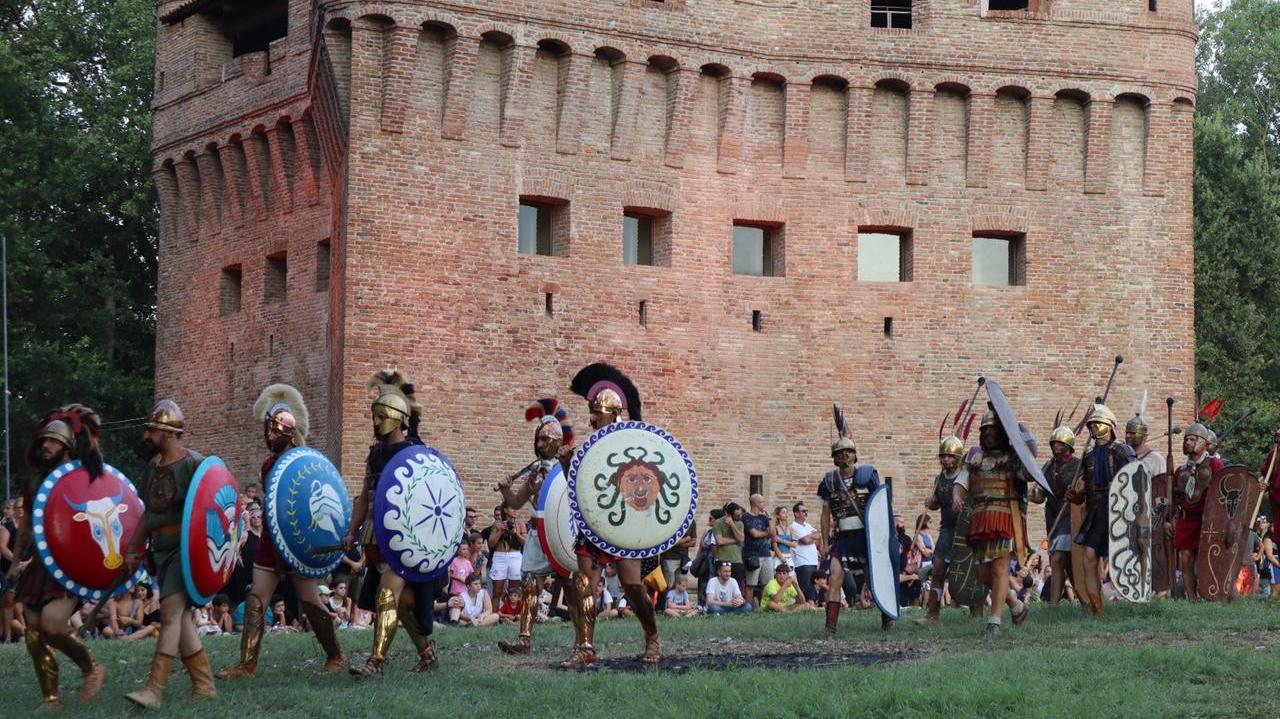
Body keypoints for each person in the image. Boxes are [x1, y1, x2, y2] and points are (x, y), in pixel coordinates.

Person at [217, 384, 345, 679]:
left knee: (311, 602)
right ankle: (247, 664)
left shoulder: (304, 461)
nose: (269, 436)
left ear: (288, 432)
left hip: (298, 539)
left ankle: (336, 655)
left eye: (275, 431)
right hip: (272, 540)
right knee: (255, 600)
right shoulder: (266, 465)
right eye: (268, 430)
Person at [559, 363, 662, 668]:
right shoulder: (587, 449)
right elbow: (580, 489)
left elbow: (649, 483)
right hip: (593, 527)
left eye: (597, 412)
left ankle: (652, 636)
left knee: (632, 586)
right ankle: (585, 646)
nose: (591, 418)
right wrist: (568, 466)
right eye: (591, 411)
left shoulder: (636, 445)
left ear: (614, 413)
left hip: (626, 524)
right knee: (584, 588)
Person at [8, 407, 109, 710]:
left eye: (52, 442)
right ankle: (51, 698)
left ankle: (92, 668)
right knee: (34, 632)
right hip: (40, 563)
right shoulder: (37, 481)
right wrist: (15, 563)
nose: (45, 447)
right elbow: (25, 525)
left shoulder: (81, 476)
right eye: (43, 442)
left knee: (52, 624)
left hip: (69, 563)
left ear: (66, 445)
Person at [122, 400, 217, 707]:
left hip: (184, 552)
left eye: (152, 430)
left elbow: (215, 510)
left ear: (167, 433)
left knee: (170, 613)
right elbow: (148, 513)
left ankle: (154, 689)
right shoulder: (153, 466)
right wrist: (135, 548)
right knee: (183, 619)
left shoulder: (195, 466)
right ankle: (204, 686)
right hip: (160, 552)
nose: (147, 436)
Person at [343, 374, 438, 676]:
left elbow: (430, 498)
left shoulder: (416, 454)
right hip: (374, 537)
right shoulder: (375, 454)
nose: (376, 422)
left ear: (398, 419)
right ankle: (428, 654)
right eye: (374, 416)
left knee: (387, 594)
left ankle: (376, 662)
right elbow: (364, 498)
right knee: (403, 602)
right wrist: (351, 531)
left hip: (404, 538)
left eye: (381, 416)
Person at [496, 398, 573, 654]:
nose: (540, 444)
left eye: (544, 439)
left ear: (556, 441)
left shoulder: (567, 468)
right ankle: (524, 639)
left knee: (573, 587)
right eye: (537, 439)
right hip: (537, 533)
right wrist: (506, 490)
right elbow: (516, 502)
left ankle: (584, 642)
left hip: (562, 533)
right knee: (529, 582)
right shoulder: (534, 471)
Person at [953, 409, 1034, 633]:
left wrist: (1027, 440)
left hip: (1005, 516)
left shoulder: (1012, 457)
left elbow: (1028, 473)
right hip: (980, 518)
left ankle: (994, 621)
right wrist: (957, 495)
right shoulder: (974, 456)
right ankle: (1017, 606)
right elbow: (962, 480)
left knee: (1000, 569)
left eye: (993, 430)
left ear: (1002, 432)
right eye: (985, 430)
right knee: (985, 574)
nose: (989, 433)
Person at [818, 409, 895, 632]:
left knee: (874, 579)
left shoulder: (868, 476)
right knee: (835, 577)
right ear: (834, 457)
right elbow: (825, 514)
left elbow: (881, 506)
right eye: (840, 452)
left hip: (866, 536)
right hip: (842, 538)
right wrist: (824, 542)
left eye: (848, 452)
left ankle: (887, 618)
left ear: (854, 455)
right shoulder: (829, 482)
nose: (844, 456)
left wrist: (884, 536)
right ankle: (830, 626)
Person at [1064, 404, 1135, 616]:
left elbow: (1134, 480)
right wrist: (1075, 497)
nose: (1094, 427)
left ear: (1109, 426)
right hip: (1095, 510)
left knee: (1123, 557)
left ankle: (1132, 602)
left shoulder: (1123, 451)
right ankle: (1097, 607)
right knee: (1089, 555)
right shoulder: (1089, 456)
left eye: (1098, 423)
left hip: (1117, 511)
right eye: (1091, 424)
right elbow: (1085, 488)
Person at [1168, 422, 1223, 602]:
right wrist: (1169, 519)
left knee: (1204, 558)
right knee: (1185, 558)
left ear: (1203, 442)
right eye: (1186, 439)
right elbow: (1175, 497)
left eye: (1192, 439)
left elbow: (1224, 489)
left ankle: (1206, 594)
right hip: (1186, 518)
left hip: (1207, 519)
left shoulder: (1215, 464)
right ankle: (1191, 597)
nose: (1188, 443)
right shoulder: (1181, 471)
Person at [1029, 425, 1079, 607]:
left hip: (1070, 517)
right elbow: (1041, 496)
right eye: (1054, 443)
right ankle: (1083, 600)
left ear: (1068, 445)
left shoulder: (1077, 466)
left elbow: (1082, 493)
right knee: (1067, 564)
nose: (1056, 446)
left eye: (1060, 443)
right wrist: (1034, 496)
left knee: (1058, 559)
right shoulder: (1048, 467)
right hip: (1053, 518)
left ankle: (1053, 605)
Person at [922, 432, 967, 622]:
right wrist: (931, 502)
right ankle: (933, 613)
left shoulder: (965, 476)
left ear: (957, 458)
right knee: (938, 569)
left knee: (968, 571)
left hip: (965, 530)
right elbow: (936, 505)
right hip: (946, 529)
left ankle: (976, 608)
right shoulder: (939, 479)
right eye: (943, 456)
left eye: (949, 456)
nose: (945, 459)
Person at [741, 494, 773, 608]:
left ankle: (764, 607)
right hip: (752, 554)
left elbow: (773, 533)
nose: (764, 504)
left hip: (766, 554)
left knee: (767, 583)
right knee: (751, 584)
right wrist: (766, 533)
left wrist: (769, 516)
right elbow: (754, 533)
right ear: (756, 503)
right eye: (763, 502)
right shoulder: (745, 517)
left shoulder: (764, 518)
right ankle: (748, 608)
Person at [790, 503, 820, 604]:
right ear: (796, 513)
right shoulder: (793, 526)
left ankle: (810, 605)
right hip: (802, 562)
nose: (806, 513)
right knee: (804, 586)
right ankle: (801, 605)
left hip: (813, 561)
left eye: (806, 511)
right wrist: (812, 537)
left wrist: (810, 537)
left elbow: (819, 536)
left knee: (812, 586)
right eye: (803, 511)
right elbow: (805, 541)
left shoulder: (808, 525)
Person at [772, 506, 796, 572]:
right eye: (783, 512)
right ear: (778, 515)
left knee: (792, 578)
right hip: (779, 558)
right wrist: (783, 561)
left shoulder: (791, 529)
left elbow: (794, 544)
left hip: (789, 557)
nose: (786, 514)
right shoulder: (775, 528)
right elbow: (775, 547)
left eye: (786, 512)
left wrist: (780, 540)